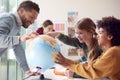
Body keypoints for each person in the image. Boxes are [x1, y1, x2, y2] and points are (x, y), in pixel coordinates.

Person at [54, 16, 120, 80]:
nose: (97, 36)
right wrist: (66, 62)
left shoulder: (114, 51)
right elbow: (91, 67)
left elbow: (92, 71)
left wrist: (68, 64)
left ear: (110, 36)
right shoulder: (110, 51)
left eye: (100, 33)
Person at [0, 1, 40, 76]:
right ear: (21, 11)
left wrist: (27, 70)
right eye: (31, 17)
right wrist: (20, 38)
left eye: (34, 19)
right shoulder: (8, 19)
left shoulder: (17, 24)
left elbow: (17, 47)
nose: (32, 21)